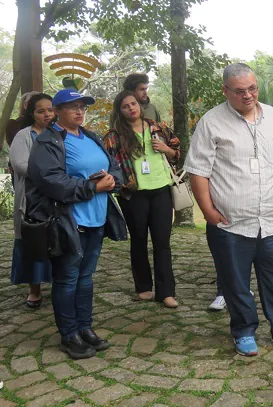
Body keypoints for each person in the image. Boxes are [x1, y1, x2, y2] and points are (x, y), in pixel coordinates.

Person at [185, 63, 273, 356]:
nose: (248, 95)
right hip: (231, 224)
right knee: (236, 281)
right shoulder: (211, 122)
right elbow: (198, 171)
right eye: (240, 91)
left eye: (252, 88)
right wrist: (208, 211)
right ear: (225, 91)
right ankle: (243, 330)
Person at [26, 89, 125, 360]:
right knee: (68, 278)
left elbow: (115, 167)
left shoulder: (91, 136)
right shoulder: (49, 141)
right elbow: (51, 181)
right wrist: (91, 187)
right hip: (68, 221)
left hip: (96, 219)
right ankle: (69, 334)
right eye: (73, 107)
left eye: (82, 107)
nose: (80, 112)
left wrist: (112, 180)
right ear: (57, 110)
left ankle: (85, 327)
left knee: (86, 277)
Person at [104, 90, 180, 308]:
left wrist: (166, 149)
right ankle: (144, 287)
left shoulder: (158, 128)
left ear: (140, 105)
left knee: (162, 242)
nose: (131, 108)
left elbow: (178, 151)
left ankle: (166, 292)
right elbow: (107, 162)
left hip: (161, 190)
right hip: (133, 193)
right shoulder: (114, 135)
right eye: (125, 106)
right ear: (120, 111)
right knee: (138, 241)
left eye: (134, 103)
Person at [9, 93, 54, 308]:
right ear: (32, 113)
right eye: (40, 110)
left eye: (50, 110)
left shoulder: (59, 133)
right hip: (31, 198)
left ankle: (61, 283)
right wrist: (52, 173)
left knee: (58, 239)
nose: (47, 114)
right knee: (33, 240)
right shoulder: (24, 136)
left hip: (55, 197)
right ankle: (34, 289)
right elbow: (20, 165)